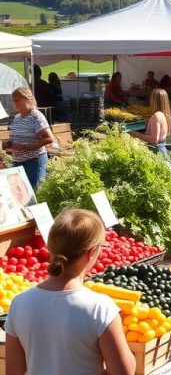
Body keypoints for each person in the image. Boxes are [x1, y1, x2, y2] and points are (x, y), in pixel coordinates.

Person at [5, 209, 135, 375]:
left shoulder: (19, 303)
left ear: (49, 246)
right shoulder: (100, 308)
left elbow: (13, 372)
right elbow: (124, 371)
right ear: (92, 253)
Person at [6, 87, 55, 188]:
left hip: (34, 162)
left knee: (34, 193)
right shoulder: (17, 117)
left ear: (27, 99)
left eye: (17, 100)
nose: (15, 103)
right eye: (13, 101)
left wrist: (25, 147)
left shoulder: (36, 116)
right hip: (18, 162)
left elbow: (49, 138)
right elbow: (15, 138)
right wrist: (8, 144)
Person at [128, 88, 171, 159]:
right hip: (162, 151)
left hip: (156, 153)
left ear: (154, 100)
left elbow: (154, 140)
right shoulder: (164, 115)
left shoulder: (157, 116)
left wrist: (133, 133)